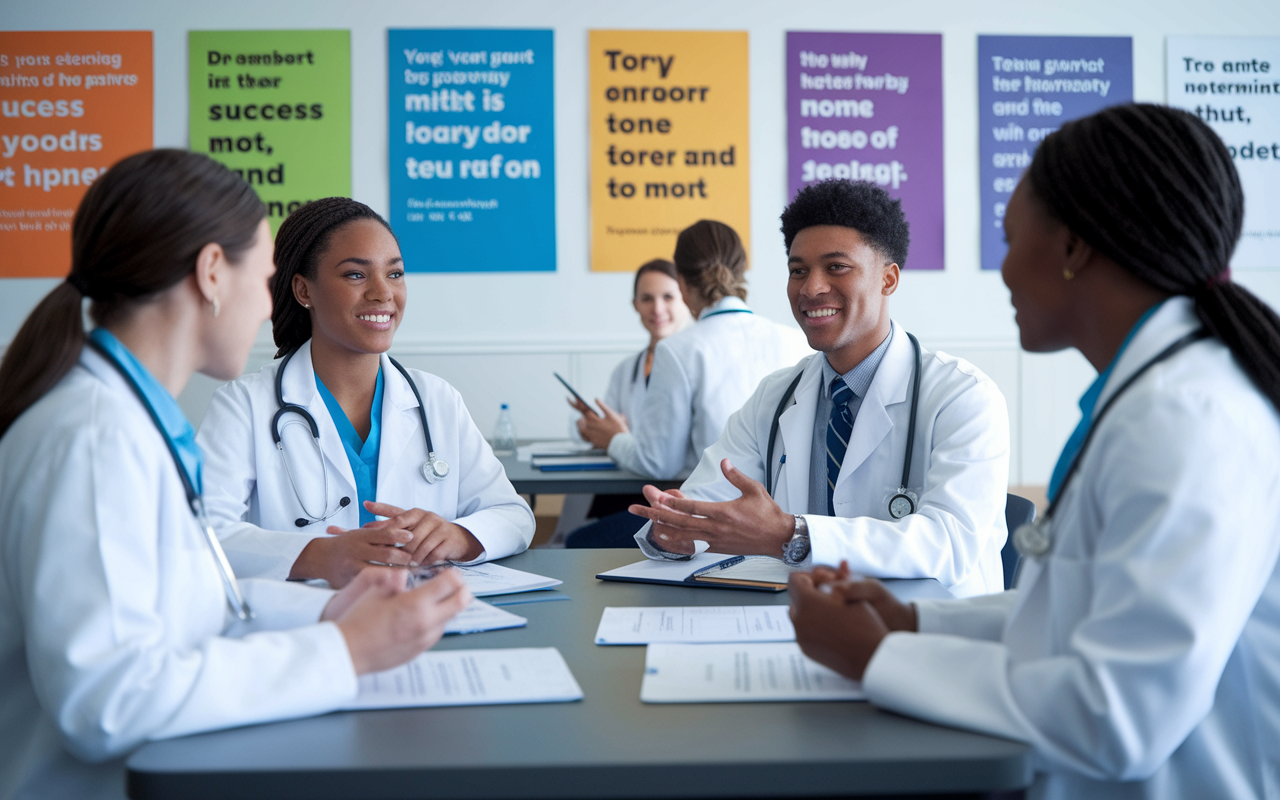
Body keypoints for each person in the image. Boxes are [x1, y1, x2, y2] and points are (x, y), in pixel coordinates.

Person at [788, 104, 1280, 799]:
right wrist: (916, 621)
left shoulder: (1184, 420)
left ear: (1074, 248)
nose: (1005, 271)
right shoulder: (1158, 394)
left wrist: (881, 657)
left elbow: (1117, 717)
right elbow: (1077, 612)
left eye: (1011, 239)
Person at [0, 150, 471, 800]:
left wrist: (331, 608)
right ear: (213, 273)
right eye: (267, 276)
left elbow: (187, 612)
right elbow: (105, 702)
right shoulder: (95, 439)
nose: (265, 306)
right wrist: (344, 651)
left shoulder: (128, 421)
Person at [629, 180, 1010, 597]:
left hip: (928, 639)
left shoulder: (964, 397)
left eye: (836, 267)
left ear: (888, 279)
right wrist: (675, 531)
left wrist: (792, 535)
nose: (811, 288)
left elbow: (950, 545)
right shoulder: (774, 398)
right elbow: (701, 505)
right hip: (798, 627)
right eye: (798, 270)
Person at [197, 198, 535, 586]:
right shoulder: (244, 406)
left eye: (395, 274)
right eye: (356, 275)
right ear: (304, 289)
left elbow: (513, 515)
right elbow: (201, 534)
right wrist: (320, 556)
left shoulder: (436, 399)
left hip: (425, 620)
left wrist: (459, 536)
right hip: (302, 628)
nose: (382, 293)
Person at [574, 219, 810, 545]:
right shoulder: (793, 339)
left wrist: (615, 439)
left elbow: (658, 463)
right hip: (788, 522)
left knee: (579, 542)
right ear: (742, 272)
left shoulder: (679, 349)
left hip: (717, 525)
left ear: (682, 285)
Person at [555, 259, 690, 544]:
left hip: (676, 498)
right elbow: (608, 432)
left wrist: (617, 436)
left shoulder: (695, 363)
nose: (657, 308)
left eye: (667, 296)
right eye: (647, 298)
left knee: (580, 541)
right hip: (627, 489)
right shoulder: (626, 370)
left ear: (686, 299)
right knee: (577, 533)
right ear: (635, 305)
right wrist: (591, 426)